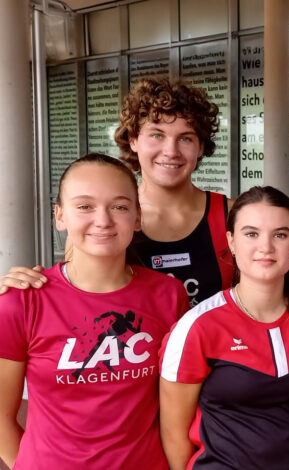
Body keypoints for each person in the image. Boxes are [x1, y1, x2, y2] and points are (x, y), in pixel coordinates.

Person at [0, 154, 189, 469]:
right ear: (60, 216)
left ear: (138, 217)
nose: (103, 220)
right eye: (85, 206)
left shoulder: (168, 295)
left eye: (119, 207)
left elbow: (179, 402)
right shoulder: (22, 301)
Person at [0, 77, 234, 307]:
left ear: (201, 147)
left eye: (185, 138)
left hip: (214, 345)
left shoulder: (233, 215)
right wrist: (30, 285)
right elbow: (76, 301)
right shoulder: (100, 223)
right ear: (133, 139)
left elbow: (253, 305)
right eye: (156, 135)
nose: (170, 151)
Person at [158, 185, 289, 470]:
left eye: (280, 234)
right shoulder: (197, 327)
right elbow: (174, 434)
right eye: (251, 233)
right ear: (231, 241)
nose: (266, 247)